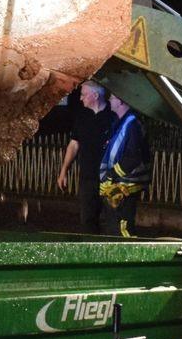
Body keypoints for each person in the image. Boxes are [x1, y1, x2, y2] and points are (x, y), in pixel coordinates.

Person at [56, 80, 114, 233]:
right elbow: (74, 144)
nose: (80, 98)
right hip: (88, 177)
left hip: (109, 178)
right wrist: (64, 171)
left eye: (83, 94)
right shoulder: (82, 116)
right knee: (88, 220)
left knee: (112, 220)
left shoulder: (113, 115)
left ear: (95, 95)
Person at [98, 94, 151, 237]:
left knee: (122, 230)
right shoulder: (122, 122)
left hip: (125, 187)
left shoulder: (132, 124)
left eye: (112, 98)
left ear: (121, 101)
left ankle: (128, 258)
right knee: (114, 229)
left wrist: (112, 174)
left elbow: (133, 156)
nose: (109, 100)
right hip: (118, 186)